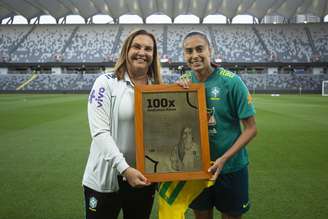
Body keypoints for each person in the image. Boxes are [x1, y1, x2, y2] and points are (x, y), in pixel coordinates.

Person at [82, 29, 162, 219]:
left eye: (148, 49)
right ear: (127, 50)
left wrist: (183, 93)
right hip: (105, 179)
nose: (142, 52)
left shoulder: (159, 88)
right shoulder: (105, 82)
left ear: (154, 55)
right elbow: (100, 132)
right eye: (137, 46)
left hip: (143, 179)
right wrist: (124, 168)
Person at [178, 31, 257, 219]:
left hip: (230, 167)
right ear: (184, 55)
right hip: (199, 167)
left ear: (210, 50)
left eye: (199, 49)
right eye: (189, 51)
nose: (195, 55)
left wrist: (224, 158)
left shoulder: (232, 82)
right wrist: (177, 92)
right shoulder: (184, 83)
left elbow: (251, 128)